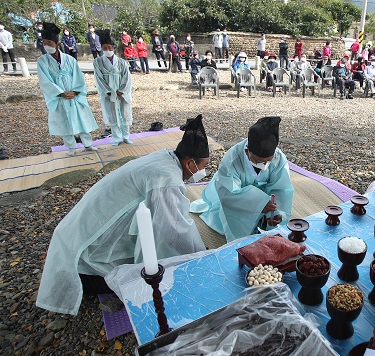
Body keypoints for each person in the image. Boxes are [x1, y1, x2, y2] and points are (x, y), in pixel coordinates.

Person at [36, 115, 210, 315]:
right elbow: (174, 229)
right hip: (81, 260)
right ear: (189, 163)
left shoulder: (165, 156)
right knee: (144, 277)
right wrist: (200, 255)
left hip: (70, 234)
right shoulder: (166, 179)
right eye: (203, 167)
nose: (202, 172)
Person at [197, 117, 294, 242]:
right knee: (241, 237)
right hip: (239, 202)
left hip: (265, 201)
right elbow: (229, 193)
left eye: (268, 161)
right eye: (259, 161)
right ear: (247, 151)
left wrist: (277, 212)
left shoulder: (278, 157)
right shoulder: (232, 160)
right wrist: (257, 205)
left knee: (274, 229)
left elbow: (282, 188)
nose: (264, 165)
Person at [37, 23, 99, 156]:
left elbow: (78, 77)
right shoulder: (42, 61)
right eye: (44, 43)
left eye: (50, 43)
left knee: (82, 119)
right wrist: (60, 93)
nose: (47, 45)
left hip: (73, 95)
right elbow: (45, 81)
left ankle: (87, 144)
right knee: (63, 122)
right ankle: (70, 147)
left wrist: (76, 91)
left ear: (57, 44)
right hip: (59, 97)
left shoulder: (69, 59)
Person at [93, 30, 134, 146]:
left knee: (125, 114)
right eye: (104, 48)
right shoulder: (98, 62)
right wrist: (109, 92)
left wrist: (121, 91)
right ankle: (117, 138)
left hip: (122, 93)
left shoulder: (121, 62)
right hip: (108, 93)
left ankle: (126, 136)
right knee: (112, 116)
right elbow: (99, 79)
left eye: (109, 48)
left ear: (113, 48)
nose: (107, 50)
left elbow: (127, 78)